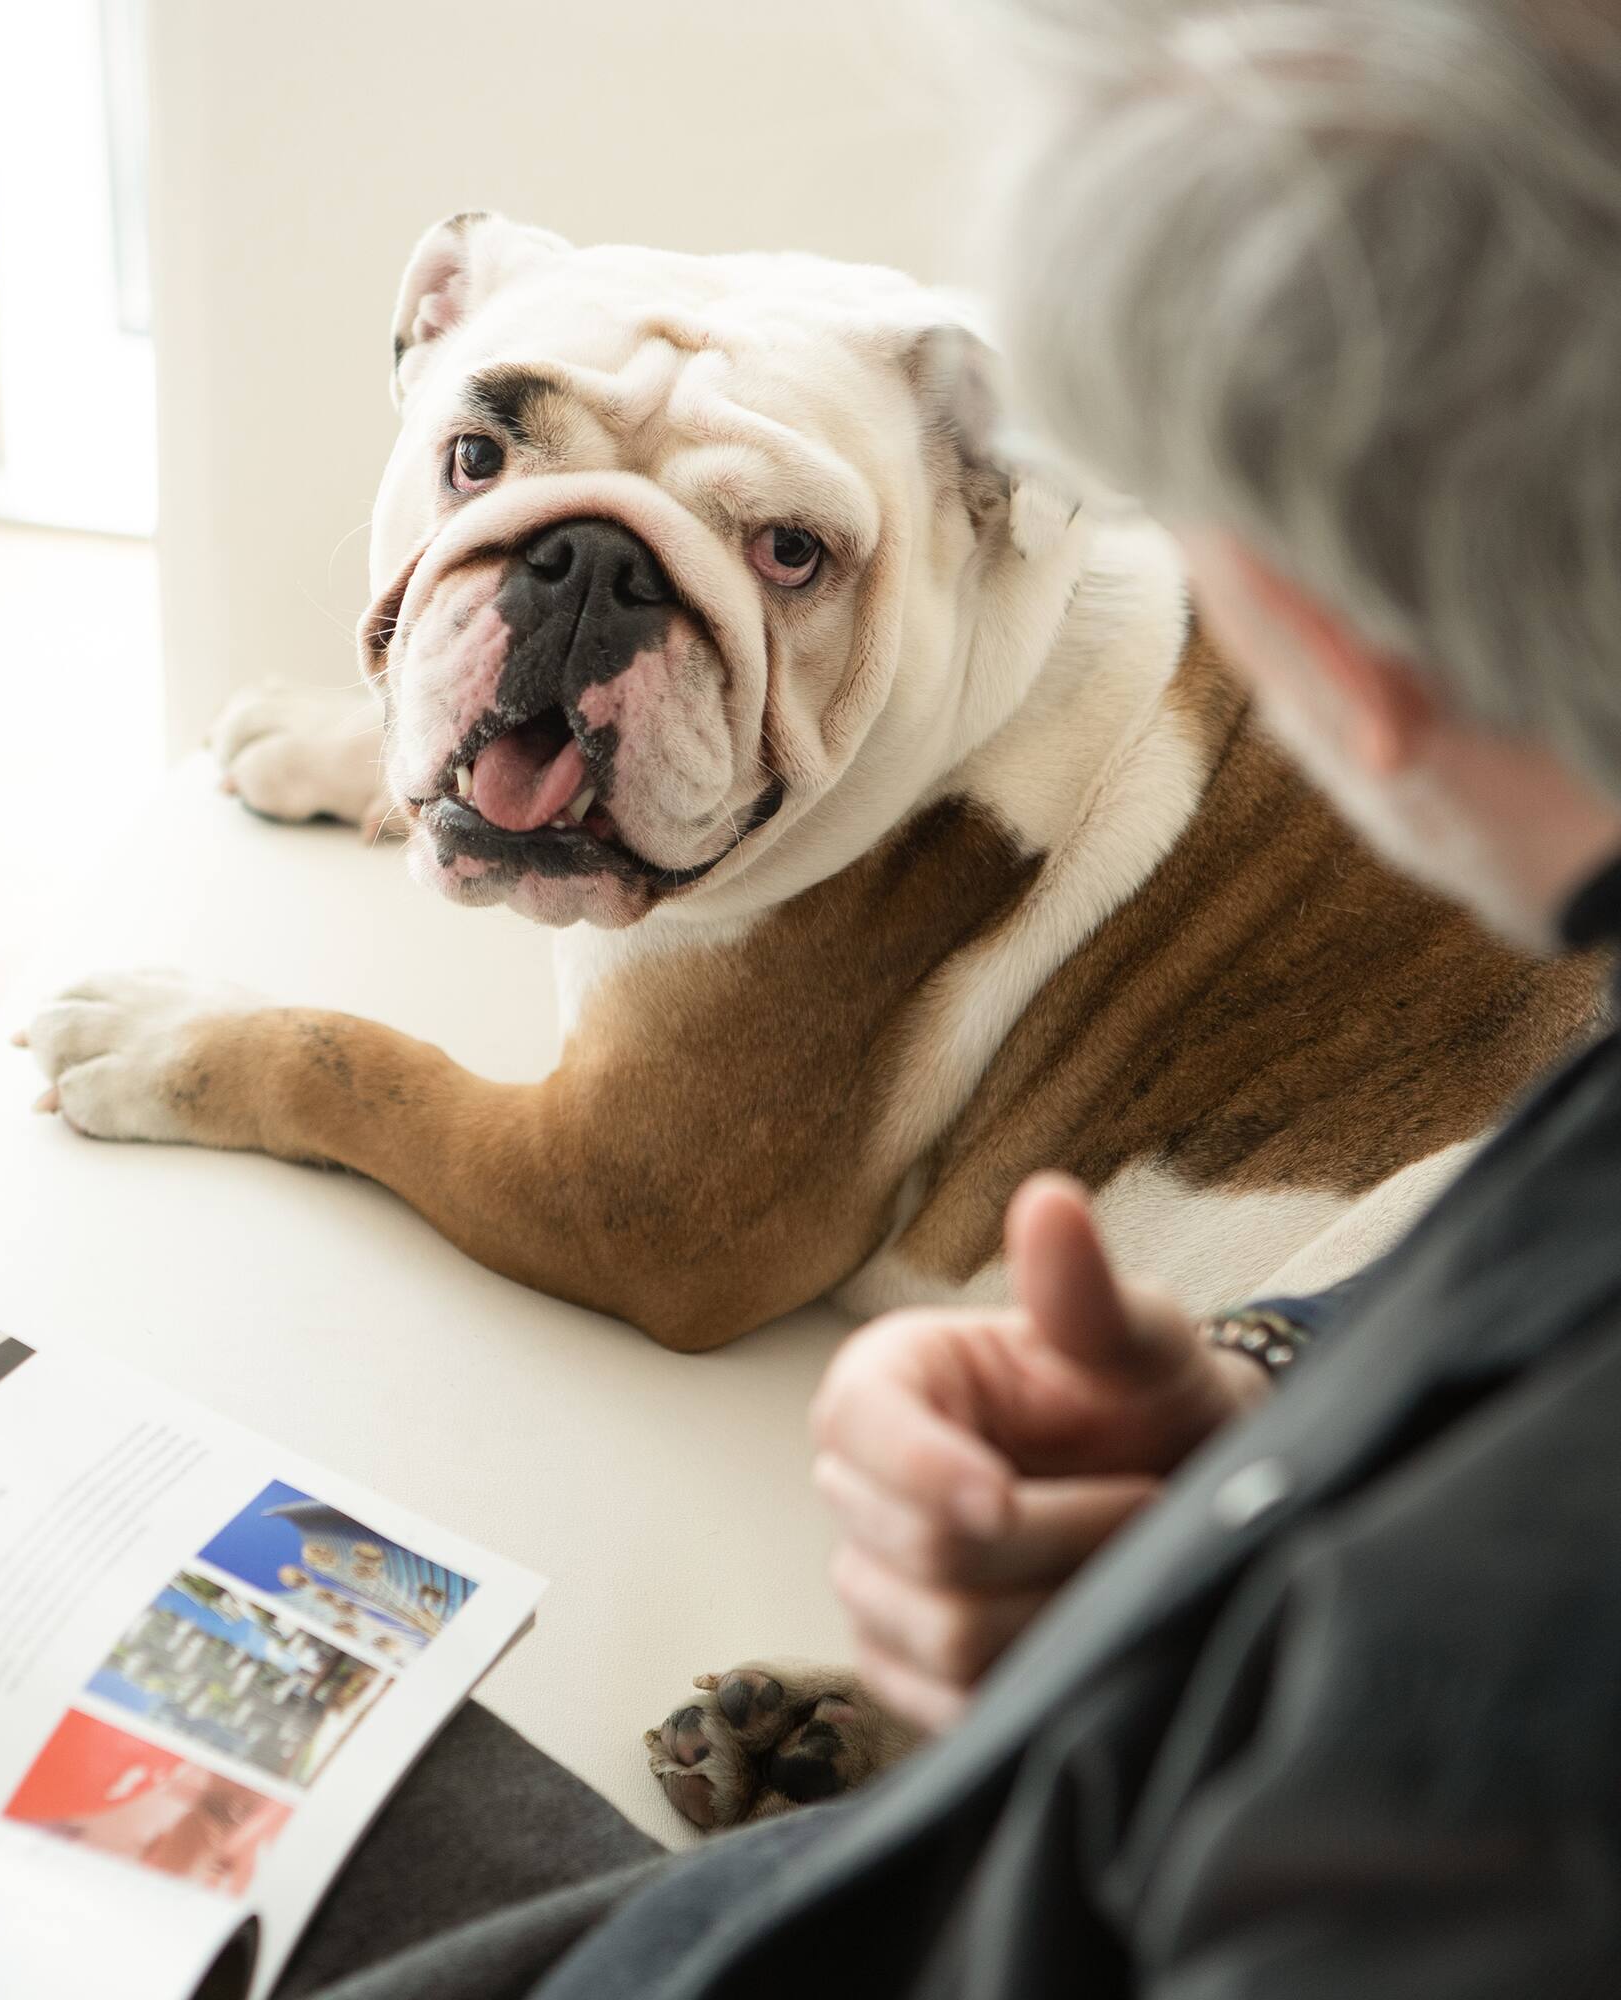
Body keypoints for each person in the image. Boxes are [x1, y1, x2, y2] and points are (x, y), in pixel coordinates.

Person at [280, 1, 1621, 1992]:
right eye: (483, 452)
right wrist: (1254, 1404)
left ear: (1348, 654)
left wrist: (1216, 1576)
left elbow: (666, 1232)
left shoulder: (1448, 1726)